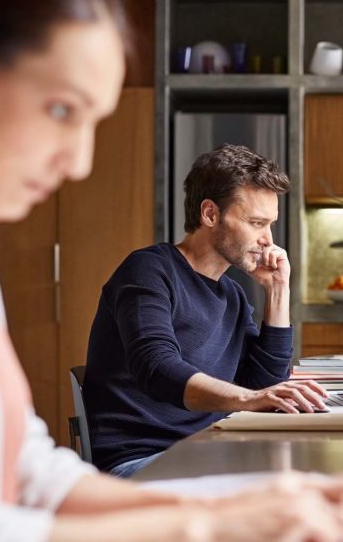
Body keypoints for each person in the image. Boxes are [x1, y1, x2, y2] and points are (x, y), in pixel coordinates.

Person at [0, 0, 343, 540]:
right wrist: (201, 527)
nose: (80, 162)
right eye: (63, 110)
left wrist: (230, 511)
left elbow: (29, 472)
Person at [84, 143, 328, 477]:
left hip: (209, 452)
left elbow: (264, 387)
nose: (268, 240)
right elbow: (156, 367)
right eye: (257, 223)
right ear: (210, 214)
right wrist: (249, 399)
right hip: (141, 461)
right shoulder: (148, 271)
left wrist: (277, 290)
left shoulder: (232, 295)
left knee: (314, 477)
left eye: (270, 225)